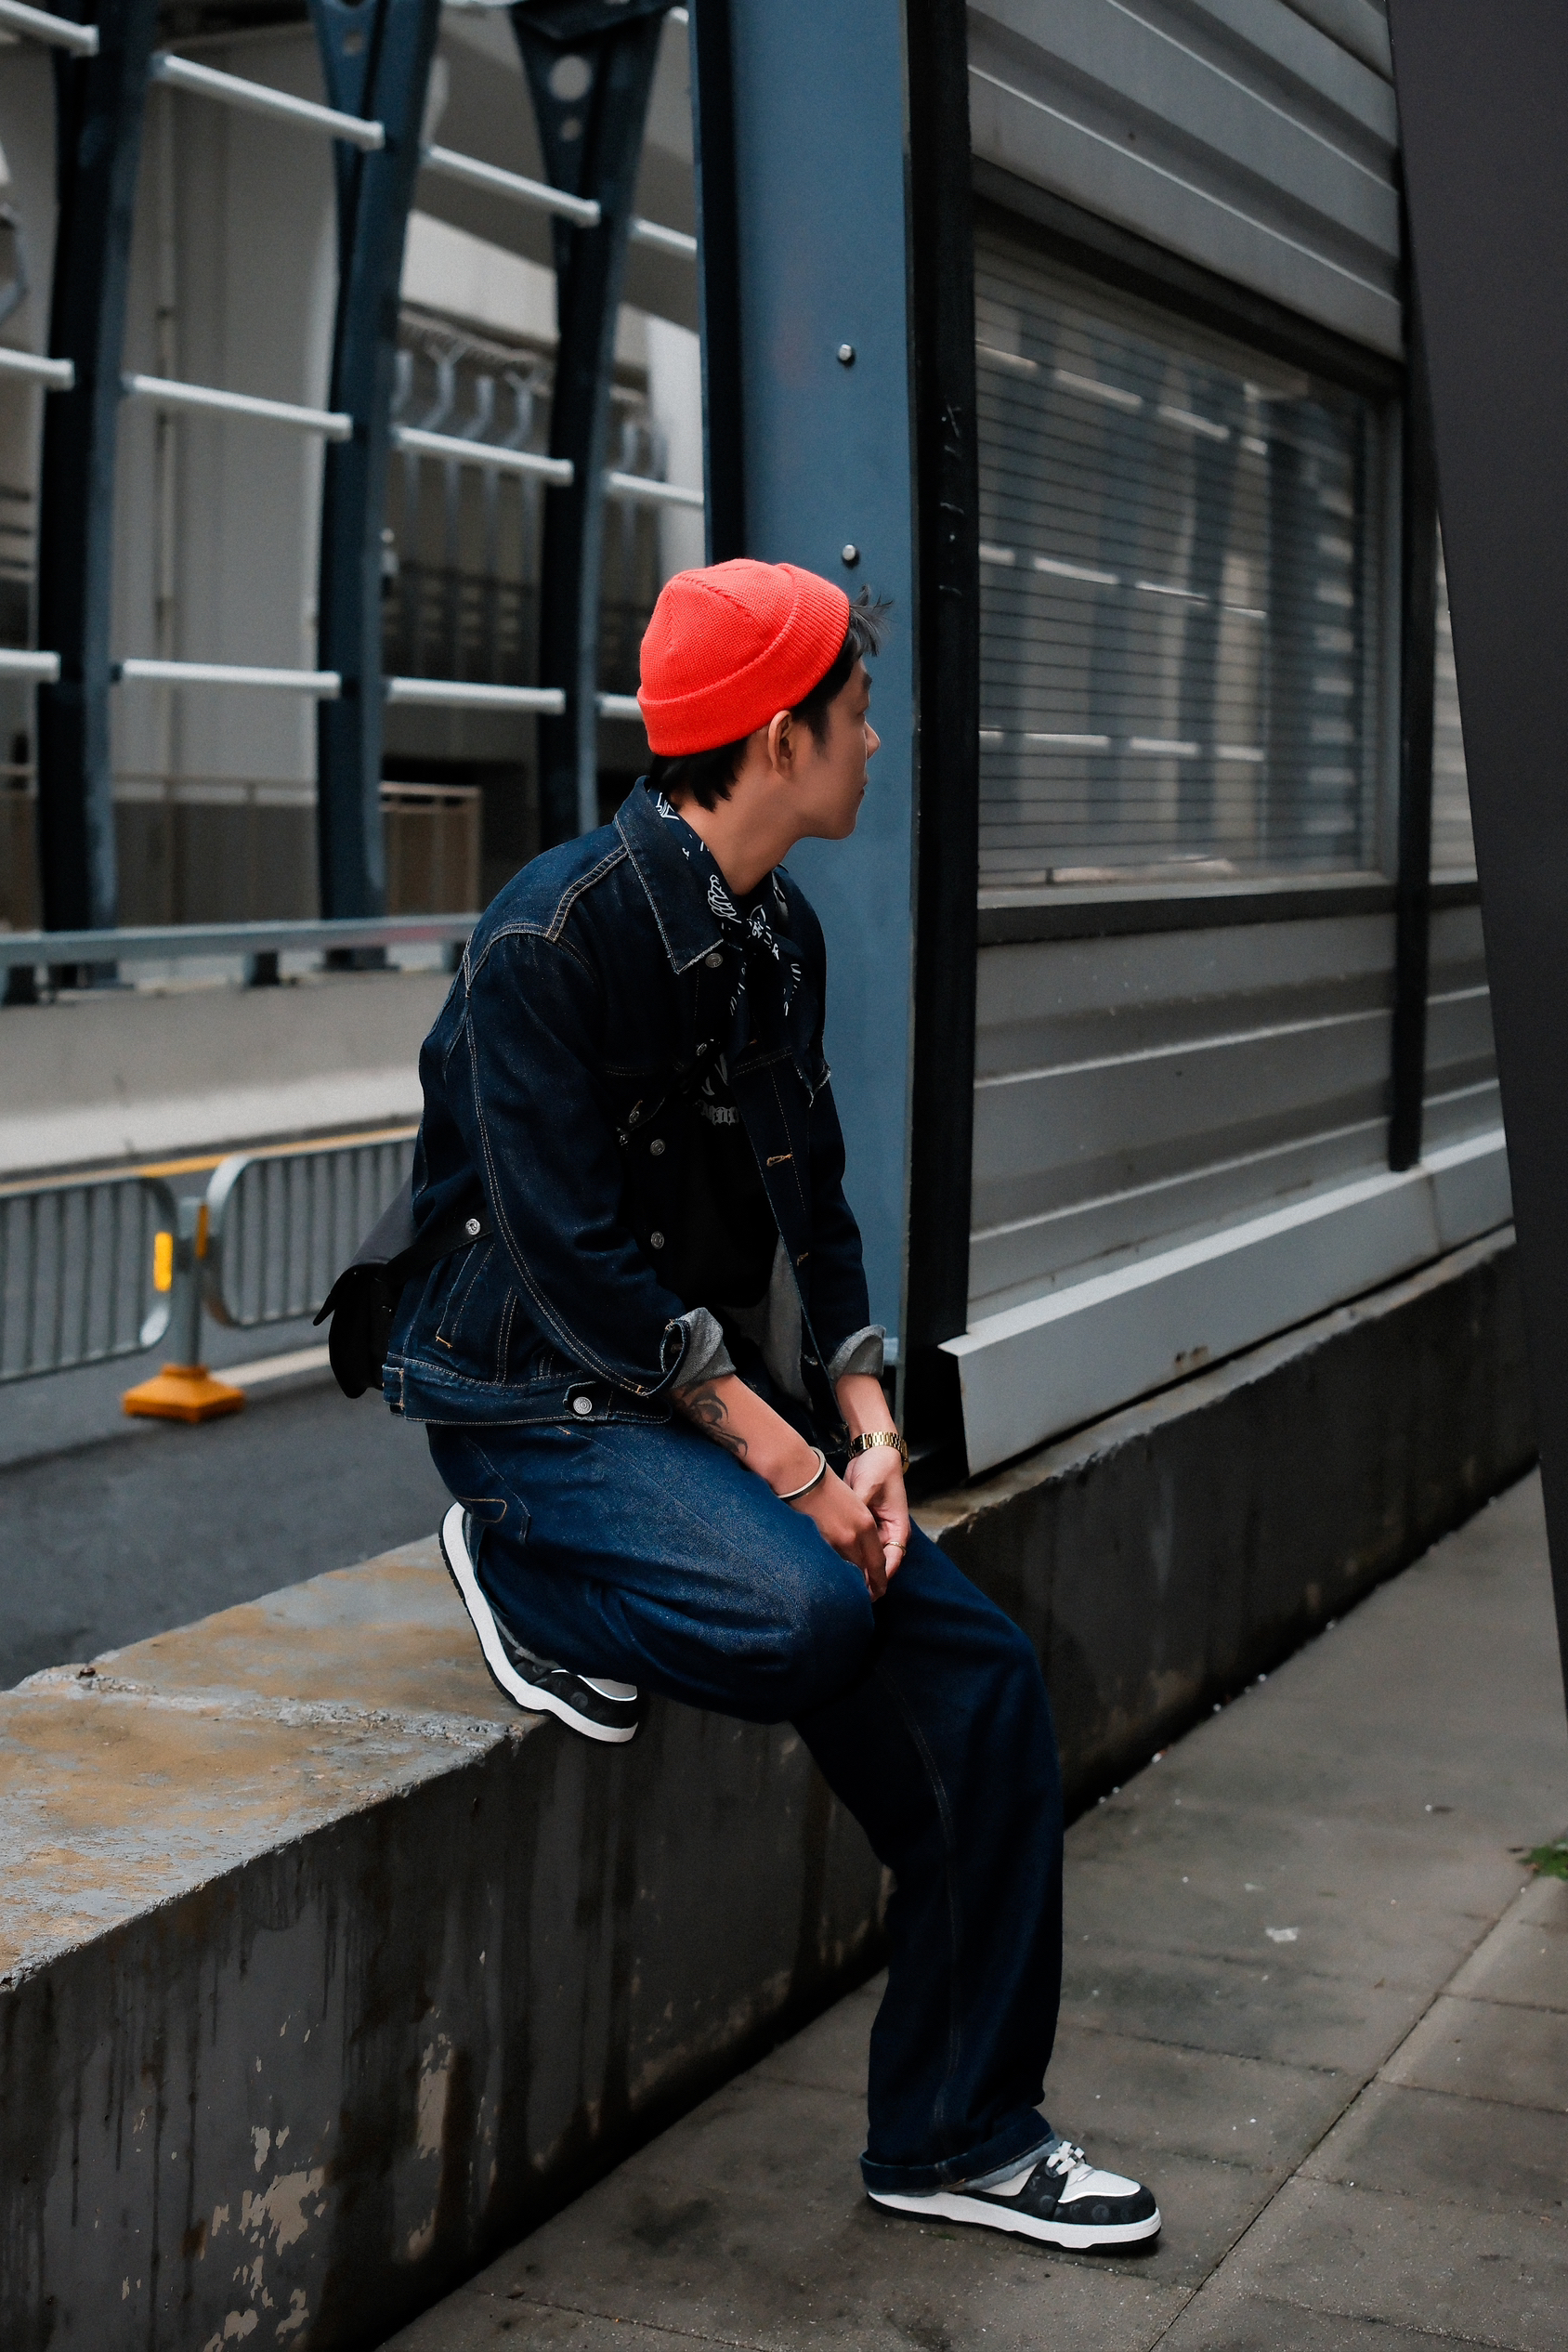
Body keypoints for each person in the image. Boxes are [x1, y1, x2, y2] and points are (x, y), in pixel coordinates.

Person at [385, 557, 1160, 2252]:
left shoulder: (772, 934)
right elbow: (573, 1263)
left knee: (985, 1688)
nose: (877, 742)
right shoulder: (547, 940)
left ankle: (956, 2133)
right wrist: (796, 1468)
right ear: (776, 739)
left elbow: (813, 1198)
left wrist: (872, 1436)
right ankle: (515, 1568)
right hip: (533, 1401)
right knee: (804, 1613)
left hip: (691, 1396)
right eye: (857, 714)